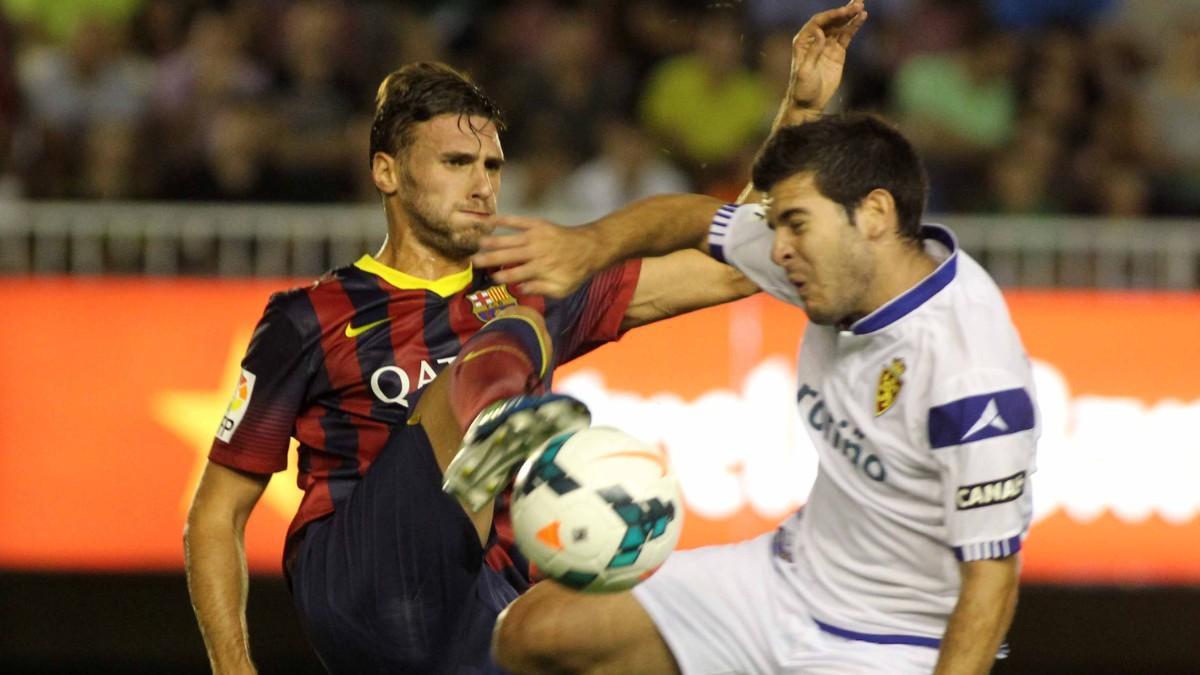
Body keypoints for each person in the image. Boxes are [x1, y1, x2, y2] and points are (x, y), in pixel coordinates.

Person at [183, 2, 867, 672]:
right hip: (368, 585)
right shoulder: (311, 315)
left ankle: (495, 471)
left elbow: (731, 269)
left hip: (484, 607)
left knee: (651, 641)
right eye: (456, 163)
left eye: (492, 167)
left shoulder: (539, 275)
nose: (482, 185)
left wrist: (801, 110)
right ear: (387, 172)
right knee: (514, 323)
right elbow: (217, 513)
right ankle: (486, 443)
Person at [477, 93, 1037, 675]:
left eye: (795, 224)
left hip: (892, 645)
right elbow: (695, 218)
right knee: (535, 632)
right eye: (775, 227)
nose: (776, 250)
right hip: (779, 584)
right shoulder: (834, 263)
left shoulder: (972, 377)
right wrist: (589, 245)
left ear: (874, 214)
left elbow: (992, 583)